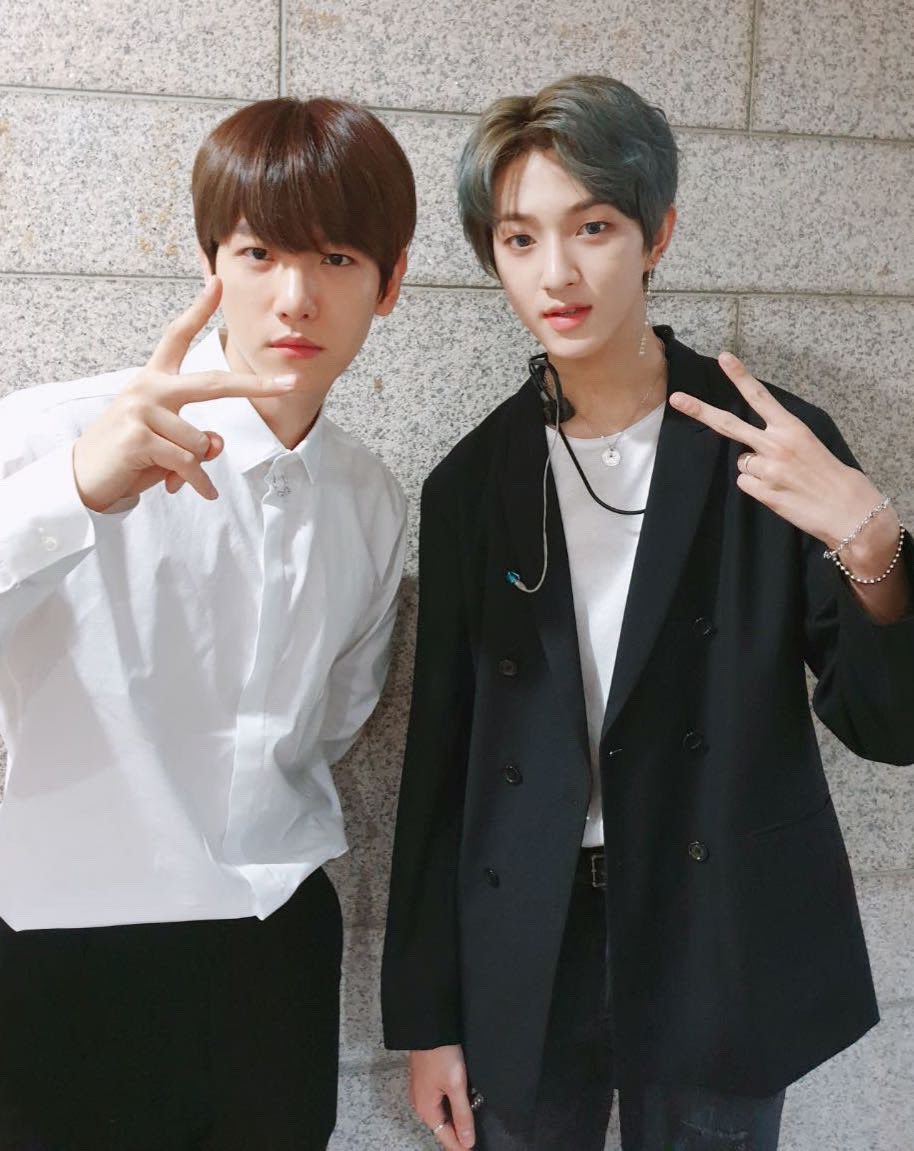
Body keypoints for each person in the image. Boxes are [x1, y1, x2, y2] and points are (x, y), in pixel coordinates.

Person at [381, 74, 914, 1151]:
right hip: (531, 931)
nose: (557, 272)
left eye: (593, 227)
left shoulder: (767, 444)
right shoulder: (472, 483)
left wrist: (873, 547)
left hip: (715, 921)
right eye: (519, 238)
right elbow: (440, 761)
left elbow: (888, 725)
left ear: (656, 232)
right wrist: (427, 1018)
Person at [0, 95, 415, 1151]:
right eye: (259, 252)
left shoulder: (370, 496)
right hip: (60, 943)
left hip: (269, 952)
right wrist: (72, 490)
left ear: (389, 281)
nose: (295, 297)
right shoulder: (52, 432)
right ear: (209, 264)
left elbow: (337, 714)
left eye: (335, 258)